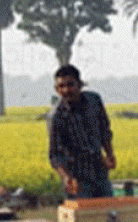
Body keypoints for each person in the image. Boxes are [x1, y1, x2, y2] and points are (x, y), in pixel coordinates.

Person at [47, 64, 116, 199]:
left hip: (99, 170)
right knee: (84, 217)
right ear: (56, 89)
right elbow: (55, 155)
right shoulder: (56, 116)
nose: (66, 90)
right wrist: (66, 177)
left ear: (80, 84)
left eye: (70, 84)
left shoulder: (94, 100)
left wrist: (110, 154)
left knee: (109, 213)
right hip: (76, 177)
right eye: (61, 86)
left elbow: (104, 131)